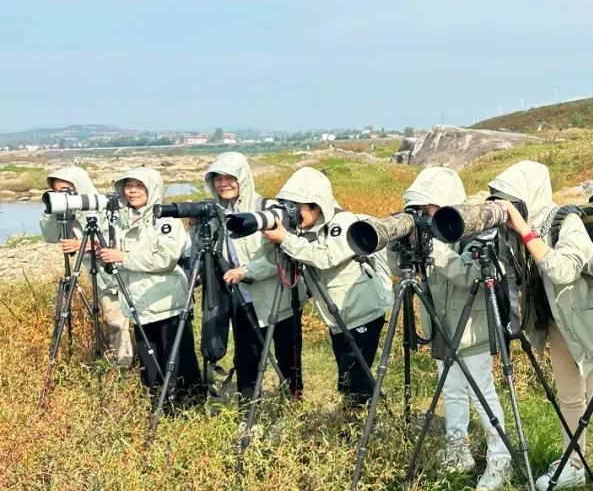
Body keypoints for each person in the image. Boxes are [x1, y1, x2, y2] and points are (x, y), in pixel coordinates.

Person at [489, 160, 593, 491]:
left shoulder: (567, 222)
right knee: (569, 399)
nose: (507, 210)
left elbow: (563, 270)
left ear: (528, 198)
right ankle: (574, 464)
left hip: (590, 325)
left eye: (510, 202)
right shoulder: (516, 231)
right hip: (557, 326)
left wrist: (523, 229)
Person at [401, 167, 512, 491]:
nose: (423, 216)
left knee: (482, 395)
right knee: (451, 391)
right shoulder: (428, 236)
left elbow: (471, 277)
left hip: (472, 328)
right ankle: (457, 451)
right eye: (418, 210)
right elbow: (403, 270)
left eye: (428, 208)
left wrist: (437, 252)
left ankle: (499, 460)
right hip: (439, 325)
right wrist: (407, 244)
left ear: (445, 204)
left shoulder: (473, 231)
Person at [265, 167, 392, 408]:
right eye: (289, 206)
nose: (294, 214)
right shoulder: (305, 231)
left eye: (298, 207)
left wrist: (287, 240)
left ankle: (365, 427)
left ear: (317, 205)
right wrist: (278, 238)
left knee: (356, 376)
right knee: (347, 377)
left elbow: (327, 257)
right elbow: (281, 263)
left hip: (361, 312)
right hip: (339, 315)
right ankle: (357, 420)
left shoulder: (343, 222)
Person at [97, 168, 201, 405]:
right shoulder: (120, 220)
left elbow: (165, 259)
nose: (131, 190)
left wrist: (122, 256)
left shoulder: (167, 220)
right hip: (138, 306)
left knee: (178, 364)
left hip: (167, 303)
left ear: (152, 189)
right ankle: (159, 408)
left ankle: (190, 409)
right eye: (128, 185)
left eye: (138, 185)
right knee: (151, 369)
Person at [205, 153, 305, 401]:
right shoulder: (216, 214)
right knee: (247, 360)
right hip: (242, 300)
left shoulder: (267, 209)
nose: (224, 183)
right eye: (218, 178)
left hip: (278, 299)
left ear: (243, 179)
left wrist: (246, 272)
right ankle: (248, 407)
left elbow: (282, 256)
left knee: (288, 358)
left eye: (231, 178)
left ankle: (293, 404)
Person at [39, 165, 134, 368]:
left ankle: (123, 367)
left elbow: (116, 241)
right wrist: (51, 208)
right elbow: (50, 236)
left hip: (117, 274)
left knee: (117, 322)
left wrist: (81, 245)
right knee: (106, 320)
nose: (63, 195)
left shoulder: (104, 205)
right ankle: (111, 362)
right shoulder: (68, 210)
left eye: (66, 190)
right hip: (96, 275)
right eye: (57, 191)